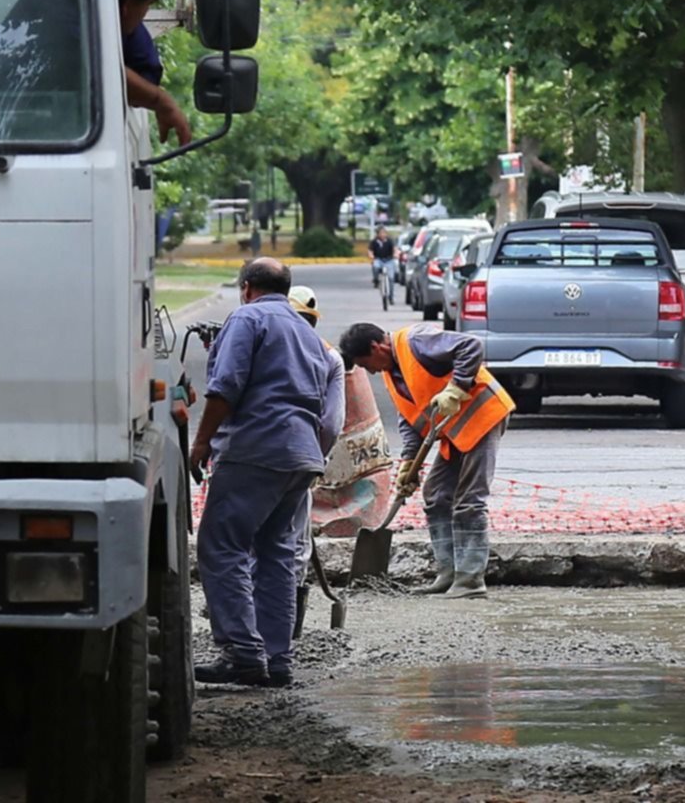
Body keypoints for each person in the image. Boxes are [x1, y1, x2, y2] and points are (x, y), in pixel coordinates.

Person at [190, 258, 345, 686]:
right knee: (276, 553)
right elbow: (325, 413)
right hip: (301, 458)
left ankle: (242, 652)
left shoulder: (248, 317)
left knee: (223, 547)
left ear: (246, 287)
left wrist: (201, 441)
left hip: (256, 450)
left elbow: (226, 387)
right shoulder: (310, 337)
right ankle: (277, 660)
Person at [338, 321, 514, 598]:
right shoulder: (390, 371)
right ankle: (448, 572)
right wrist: (410, 463)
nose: (369, 371)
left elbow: (470, 346)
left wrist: (456, 388)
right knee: (436, 494)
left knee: (469, 499)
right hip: (455, 432)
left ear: (376, 347)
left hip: (483, 417)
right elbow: (411, 418)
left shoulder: (416, 341)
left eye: (365, 363)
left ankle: (470, 580)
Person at [114, 0, 192, 146]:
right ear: (128, 6)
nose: (146, 13)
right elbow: (96, 72)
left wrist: (152, 96)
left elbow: (146, 77)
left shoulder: (120, 24)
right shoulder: (59, 22)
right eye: (149, 3)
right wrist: (161, 102)